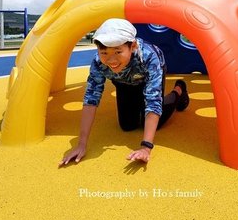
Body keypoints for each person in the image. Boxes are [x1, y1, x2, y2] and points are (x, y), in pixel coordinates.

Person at [59, 18, 190, 166]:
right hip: (123, 82)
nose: (111, 59)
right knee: (127, 125)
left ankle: (179, 91)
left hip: (146, 78)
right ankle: (137, 99)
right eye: (104, 52)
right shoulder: (98, 62)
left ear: (132, 46)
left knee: (155, 120)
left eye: (118, 51)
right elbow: (91, 98)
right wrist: (81, 144)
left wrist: (146, 147)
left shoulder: (149, 57)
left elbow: (153, 101)